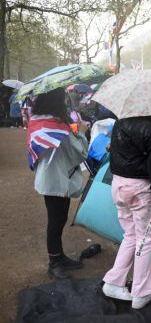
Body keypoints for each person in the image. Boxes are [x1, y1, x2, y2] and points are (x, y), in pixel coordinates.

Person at [102, 114, 151, 309]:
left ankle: (113, 282)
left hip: (118, 184)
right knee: (145, 239)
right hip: (139, 188)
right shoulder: (148, 129)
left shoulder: (121, 123)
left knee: (131, 235)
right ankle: (141, 292)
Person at [27, 87, 88, 279]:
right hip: (56, 179)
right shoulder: (57, 126)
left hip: (53, 177)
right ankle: (54, 262)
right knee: (56, 220)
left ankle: (59, 256)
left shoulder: (39, 122)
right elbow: (78, 152)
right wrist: (82, 133)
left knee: (59, 218)